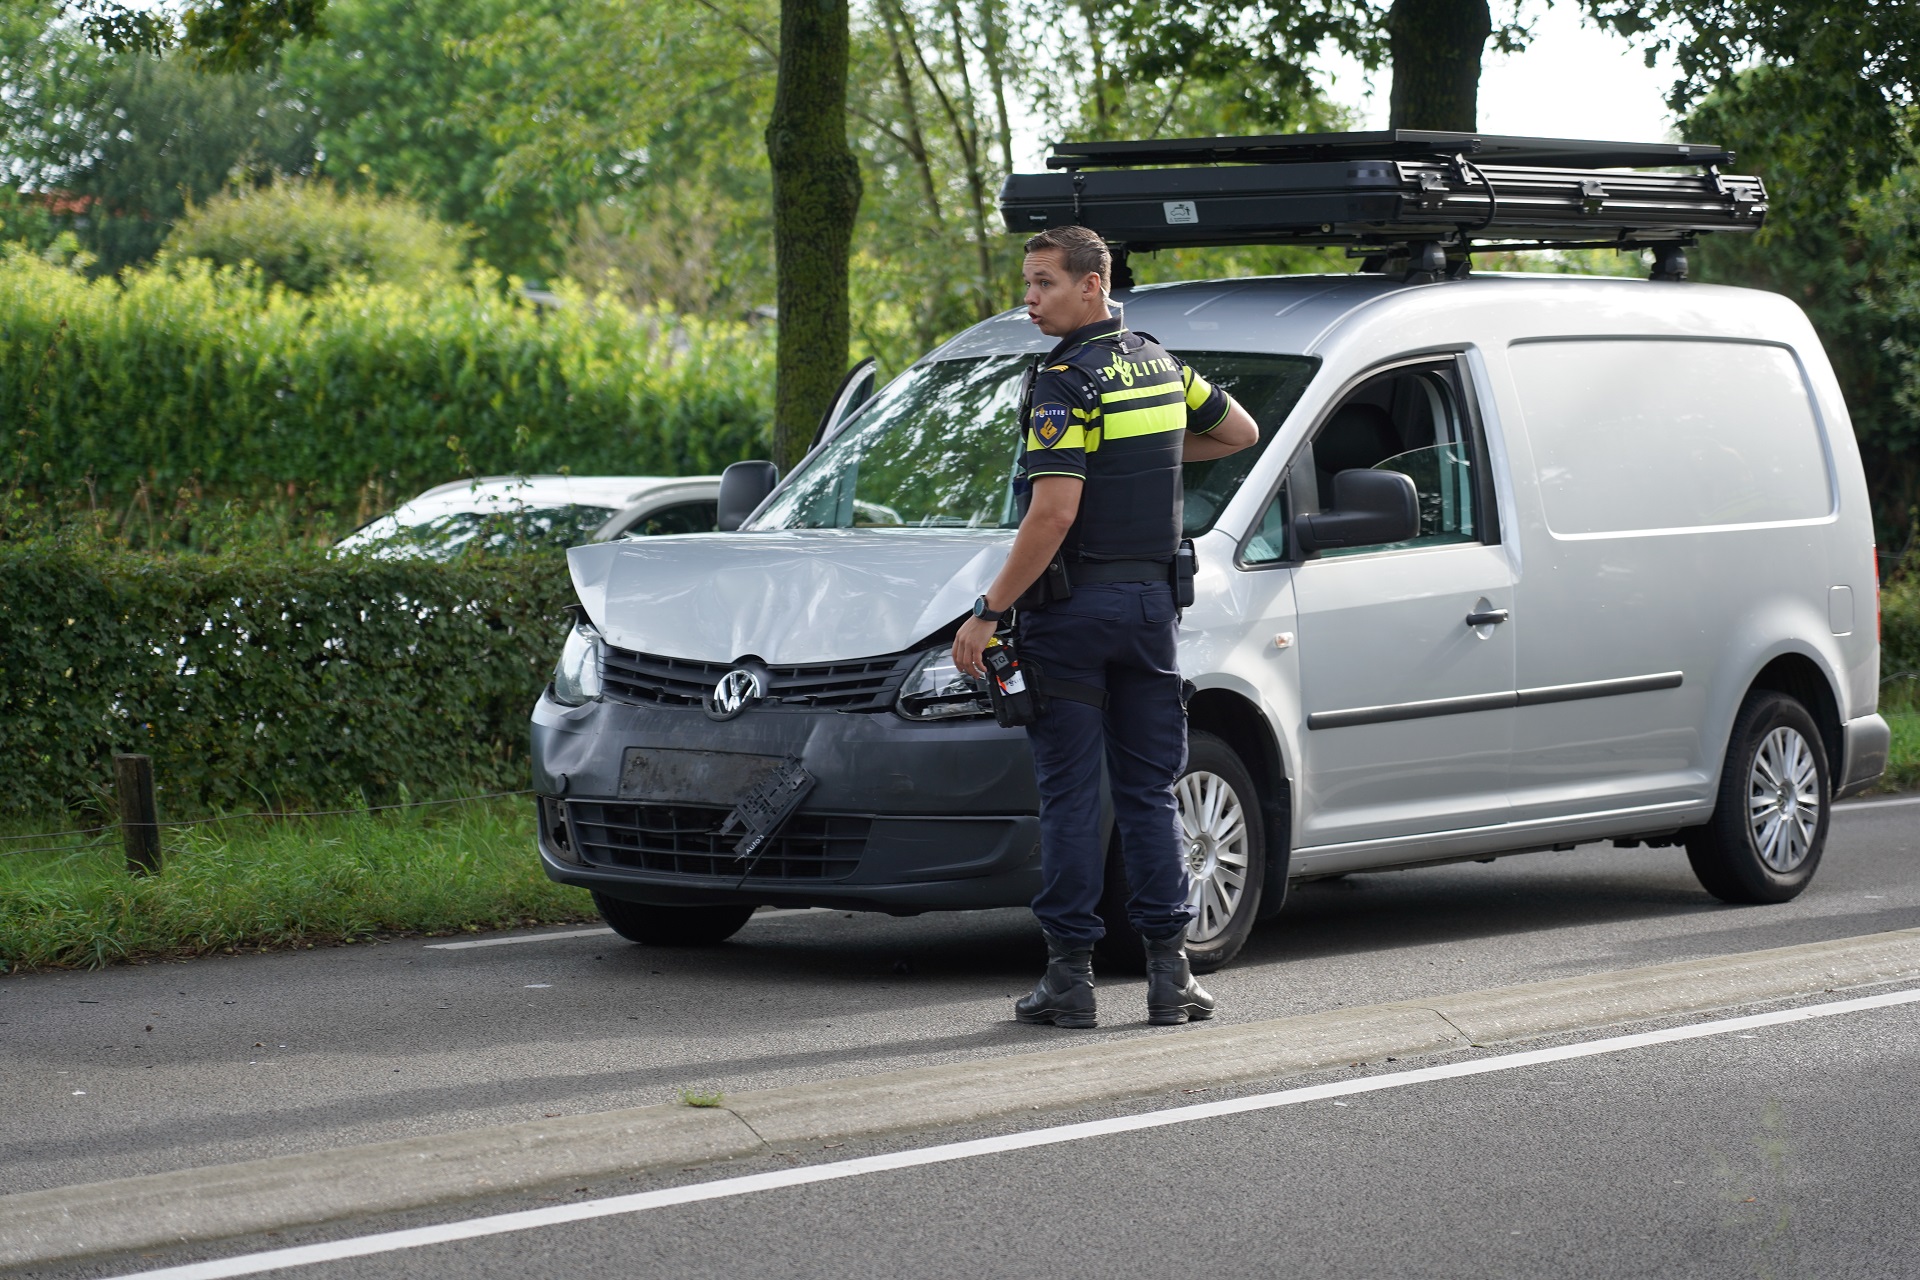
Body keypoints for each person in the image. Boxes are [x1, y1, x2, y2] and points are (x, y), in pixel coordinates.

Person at [952, 225, 1260, 1028]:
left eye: (1044, 284)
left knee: (1069, 797)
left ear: (1093, 285)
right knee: (1150, 792)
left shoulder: (1063, 379)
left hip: (1074, 614)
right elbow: (1239, 433)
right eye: (1027, 283)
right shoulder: (1160, 363)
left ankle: (1070, 978)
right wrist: (1150, 456)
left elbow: (1052, 514)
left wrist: (988, 614)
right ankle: (1169, 975)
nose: (1029, 300)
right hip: (1152, 611)